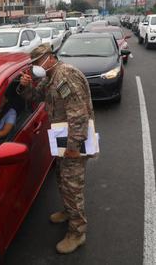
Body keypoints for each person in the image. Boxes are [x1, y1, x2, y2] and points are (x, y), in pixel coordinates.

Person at [18, 44, 94, 254]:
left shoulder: (64, 76)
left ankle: (77, 233)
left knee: (73, 186)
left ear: (49, 58)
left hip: (73, 141)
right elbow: (34, 97)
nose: (35, 67)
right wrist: (26, 85)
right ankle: (69, 212)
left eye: (36, 63)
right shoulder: (50, 77)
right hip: (62, 137)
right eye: (33, 65)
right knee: (62, 178)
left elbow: (78, 114)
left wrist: (73, 147)